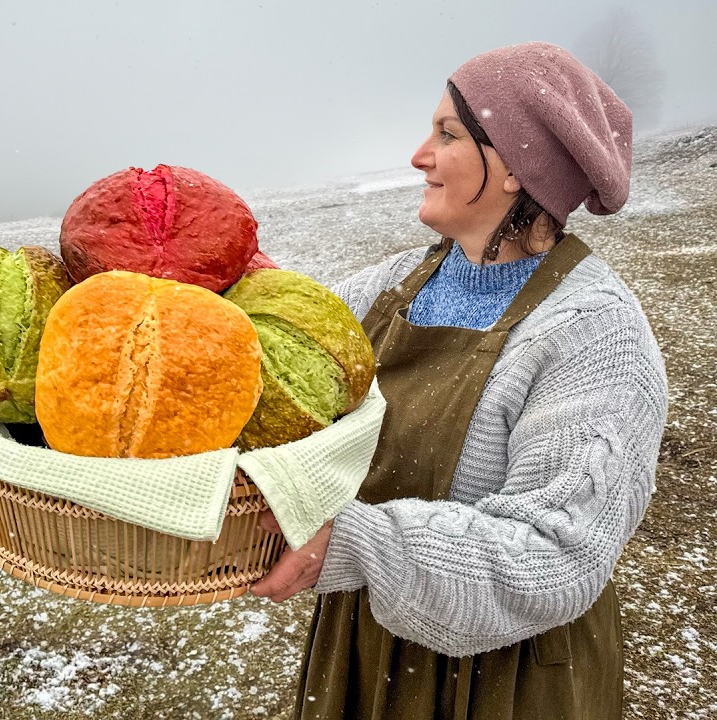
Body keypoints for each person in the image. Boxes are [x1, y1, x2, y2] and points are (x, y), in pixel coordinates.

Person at [251, 43, 668, 719]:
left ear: (514, 166)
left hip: (506, 681)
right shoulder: (392, 285)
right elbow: (274, 361)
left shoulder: (595, 332)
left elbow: (555, 556)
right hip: (366, 648)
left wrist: (357, 544)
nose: (420, 155)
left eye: (447, 135)